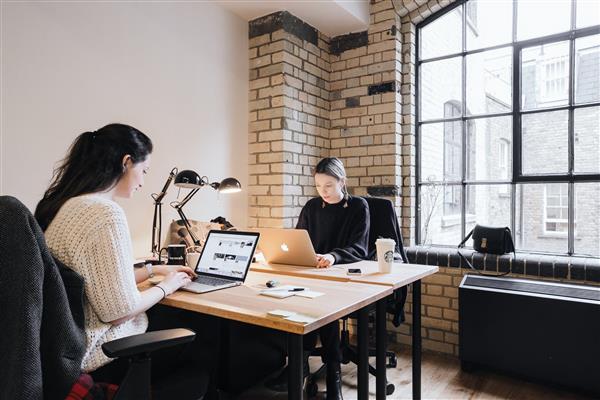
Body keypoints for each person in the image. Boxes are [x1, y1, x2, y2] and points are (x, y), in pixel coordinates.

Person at [34, 124, 210, 396]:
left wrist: (154, 270)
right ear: (126, 162)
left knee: (171, 314)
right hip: (103, 354)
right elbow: (119, 312)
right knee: (205, 333)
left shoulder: (68, 205)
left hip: (65, 351)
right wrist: (168, 285)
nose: (142, 181)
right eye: (144, 171)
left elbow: (94, 279)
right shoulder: (105, 213)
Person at [266, 157, 370, 400]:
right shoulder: (312, 207)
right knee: (297, 302)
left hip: (342, 274)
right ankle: (301, 365)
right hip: (313, 272)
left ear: (342, 182)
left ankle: (330, 373)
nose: (323, 192)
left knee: (324, 307)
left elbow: (360, 248)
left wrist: (333, 257)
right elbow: (299, 241)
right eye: (319, 186)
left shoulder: (358, 206)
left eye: (329, 186)